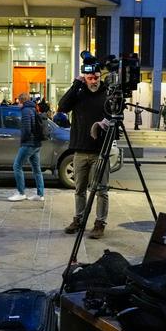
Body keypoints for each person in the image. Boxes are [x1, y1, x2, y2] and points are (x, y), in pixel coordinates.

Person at [58, 66, 110, 239]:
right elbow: (62, 107)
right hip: (79, 150)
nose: (94, 81)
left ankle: (99, 223)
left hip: (100, 152)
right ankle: (78, 219)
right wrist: (75, 85)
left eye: (96, 77)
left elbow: (116, 117)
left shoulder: (107, 95)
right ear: (84, 78)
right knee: (79, 189)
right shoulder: (78, 94)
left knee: (101, 190)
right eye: (90, 78)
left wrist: (105, 124)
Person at [7, 93, 45, 202]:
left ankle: (21, 192)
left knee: (17, 166)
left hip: (29, 143)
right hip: (37, 143)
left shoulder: (25, 111)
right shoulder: (33, 109)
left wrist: (23, 140)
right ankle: (40, 194)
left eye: (18, 101)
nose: (18, 103)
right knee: (37, 169)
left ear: (21, 101)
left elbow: (27, 129)